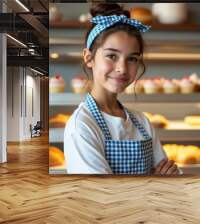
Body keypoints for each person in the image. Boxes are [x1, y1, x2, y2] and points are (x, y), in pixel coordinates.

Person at [64, 3, 180, 175]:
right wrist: (156, 182)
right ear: (89, 58)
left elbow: (173, 180)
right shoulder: (81, 125)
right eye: (112, 56)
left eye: (132, 59)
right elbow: (102, 196)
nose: (123, 68)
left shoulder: (141, 122)